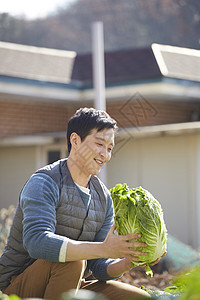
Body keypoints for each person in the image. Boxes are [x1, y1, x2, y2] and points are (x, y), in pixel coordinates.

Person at [0, 107, 162, 300]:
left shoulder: (103, 198)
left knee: (139, 297)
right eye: (99, 144)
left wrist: (128, 260)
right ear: (75, 141)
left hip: (71, 283)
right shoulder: (44, 182)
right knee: (73, 262)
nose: (105, 154)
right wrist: (102, 248)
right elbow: (37, 241)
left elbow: (99, 266)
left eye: (110, 148)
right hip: (16, 286)